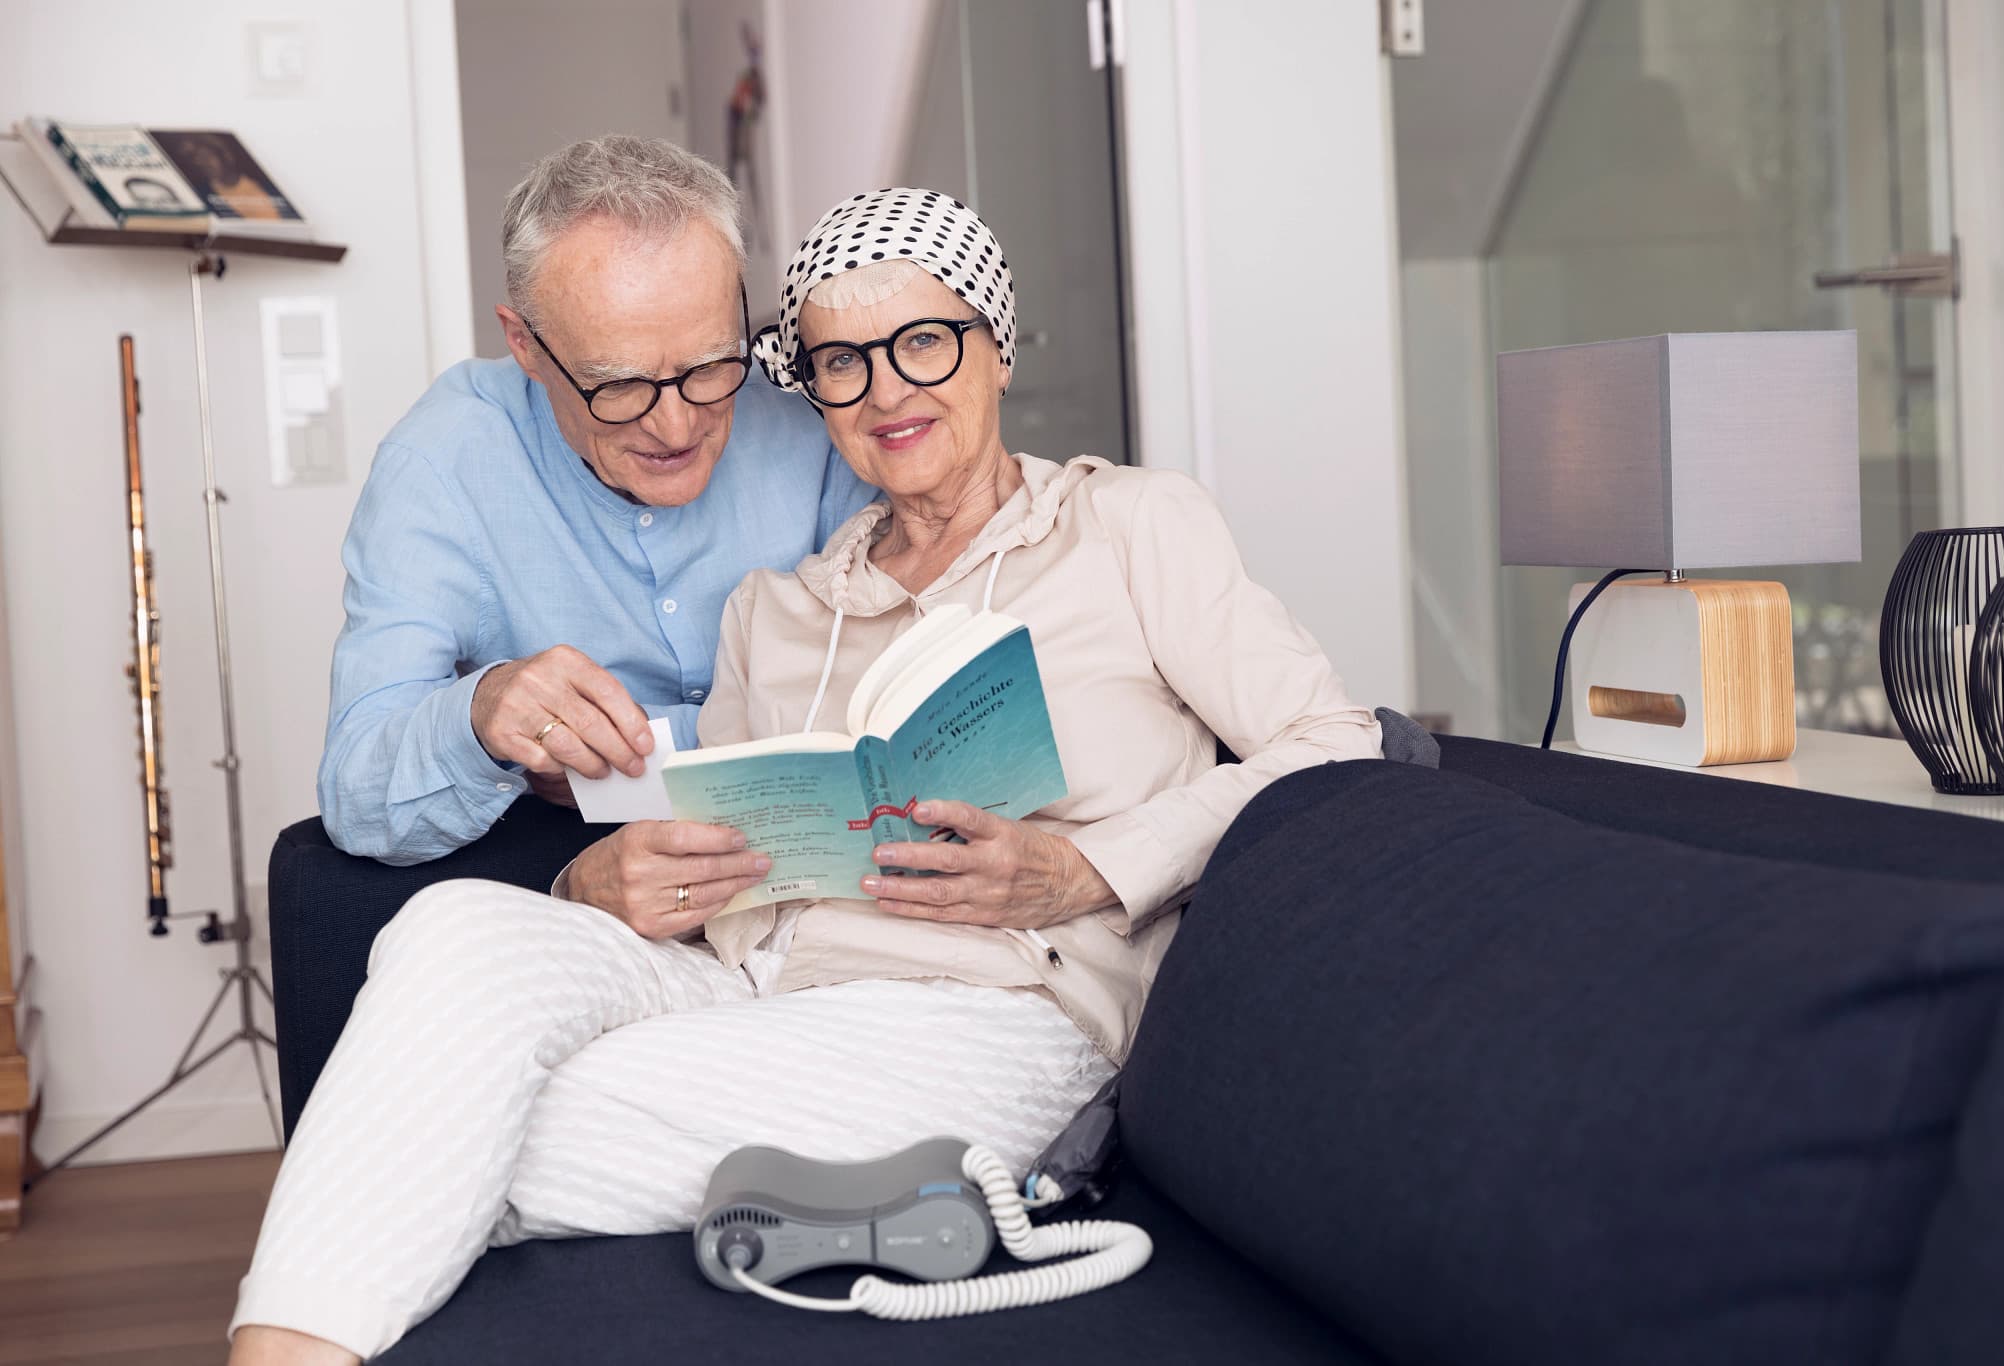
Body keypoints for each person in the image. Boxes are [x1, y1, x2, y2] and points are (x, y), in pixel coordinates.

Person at [227, 189, 1382, 1365]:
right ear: (810, 387)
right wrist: (602, 880)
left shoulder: (1129, 526)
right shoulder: (774, 607)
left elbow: (1334, 739)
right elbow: (719, 862)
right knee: (453, 928)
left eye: (924, 341)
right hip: (757, 989)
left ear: (997, 347)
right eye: (840, 360)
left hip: (995, 1009)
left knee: (431, 1119)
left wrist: (1087, 866)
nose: (886, 391)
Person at [317, 135, 874, 865]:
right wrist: (481, 718)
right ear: (524, 345)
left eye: (710, 365)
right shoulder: (444, 463)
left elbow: (880, 709)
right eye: (618, 386)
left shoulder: (812, 407)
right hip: (567, 872)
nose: (677, 425)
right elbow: (359, 799)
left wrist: (636, 755)